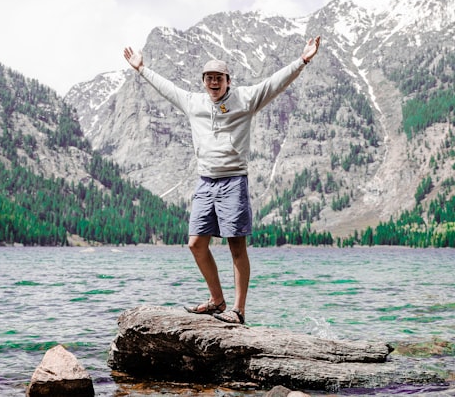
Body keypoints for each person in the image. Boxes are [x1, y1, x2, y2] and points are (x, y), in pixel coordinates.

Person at [123, 35, 321, 325]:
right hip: (205, 183)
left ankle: (238, 311)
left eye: (219, 78)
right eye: (209, 78)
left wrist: (302, 60)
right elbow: (167, 89)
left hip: (233, 182)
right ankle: (217, 301)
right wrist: (141, 69)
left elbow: (275, 83)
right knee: (195, 244)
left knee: (236, 246)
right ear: (203, 81)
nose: (214, 83)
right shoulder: (193, 103)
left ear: (228, 80)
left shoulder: (246, 99)